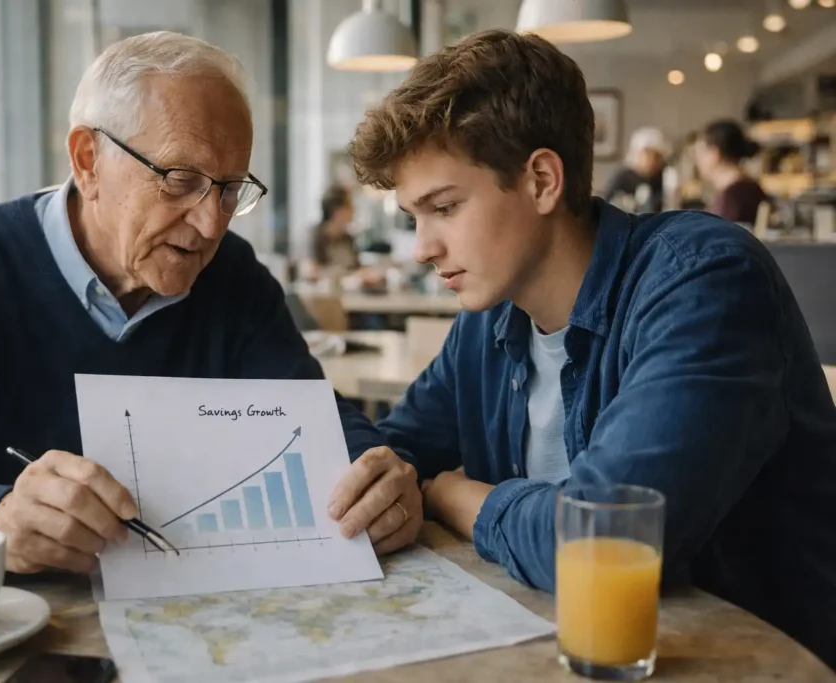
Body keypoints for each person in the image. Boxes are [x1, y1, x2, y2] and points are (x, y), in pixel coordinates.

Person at [0, 32, 421, 575]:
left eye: (230, 189)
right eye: (180, 180)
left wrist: (376, 474)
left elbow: (313, 425)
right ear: (88, 162)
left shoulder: (232, 277)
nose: (211, 224)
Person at [341, 29, 836, 668]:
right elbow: (396, 454)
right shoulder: (491, 317)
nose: (422, 248)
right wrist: (393, 480)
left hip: (749, 665)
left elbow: (601, 537)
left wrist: (450, 496)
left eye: (446, 207)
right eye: (414, 216)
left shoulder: (705, 281)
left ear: (543, 180)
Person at [695, 119, 768, 225]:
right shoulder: (752, 188)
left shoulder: (730, 200)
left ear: (715, 153)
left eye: (701, 153)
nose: (698, 161)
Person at [601, 126, 669, 213]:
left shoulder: (665, 178)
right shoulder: (623, 177)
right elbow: (606, 203)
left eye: (656, 156)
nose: (652, 160)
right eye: (647, 154)